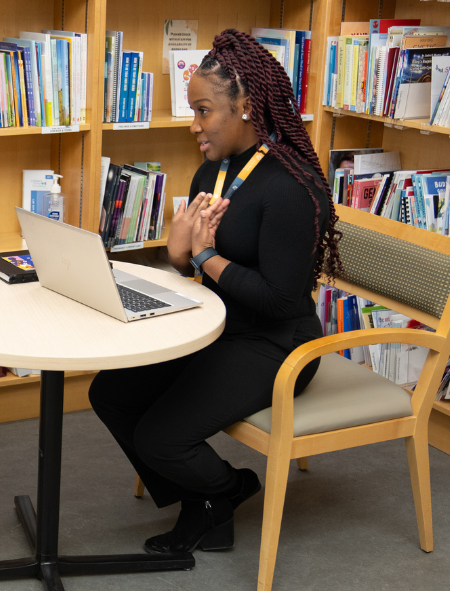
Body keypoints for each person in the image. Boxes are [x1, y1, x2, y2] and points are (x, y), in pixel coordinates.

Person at [89, 29, 342, 558]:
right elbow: (200, 267)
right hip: (217, 325)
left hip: (276, 345)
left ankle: (225, 490)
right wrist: (181, 255)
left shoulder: (293, 189)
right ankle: (207, 501)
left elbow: (276, 300)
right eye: (193, 111)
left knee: (162, 437)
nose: (194, 125)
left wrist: (204, 258)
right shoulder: (217, 168)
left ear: (246, 107)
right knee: (109, 393)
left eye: (204, 111)